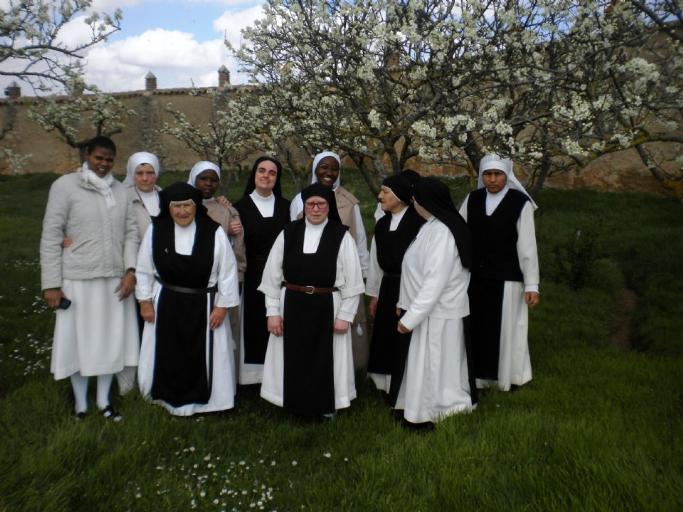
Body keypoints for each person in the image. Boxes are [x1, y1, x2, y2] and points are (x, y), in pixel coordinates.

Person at [40, 135, 139, 420]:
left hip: (114, 281)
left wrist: (130, 271)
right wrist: (51, 284)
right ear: (86, 155)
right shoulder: (65, 186)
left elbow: (131, 233)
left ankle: (104, 401)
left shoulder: (121, 191)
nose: (104, 164)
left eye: (109, 159)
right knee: (78, 342)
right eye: (99, 158)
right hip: (77, 278)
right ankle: (81, 404)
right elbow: (51, 235)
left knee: (110, 341)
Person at [259, 183, 364, 418]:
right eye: (311, 204)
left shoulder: (341, 236)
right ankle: (291, 403)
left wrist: (345, 316)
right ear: (304, 206)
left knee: (325, 359)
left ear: (329, 207)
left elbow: (354, 281)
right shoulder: (288, 232)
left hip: (328, 306)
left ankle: (327, 406)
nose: (316, 209)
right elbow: (271, 277)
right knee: (291, 358)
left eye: (322, 204)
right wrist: (273, 312)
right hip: (291, 305)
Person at [135, 182, 240, 416]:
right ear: (168, 208)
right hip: (166, 304)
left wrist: (222, 307)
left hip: (205, 306)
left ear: (196, 206)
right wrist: (144, 301)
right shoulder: (157, 230)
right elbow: (143, 269)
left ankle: (211, 402)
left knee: (202, 355)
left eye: (187, 205)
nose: (182, 212)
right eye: (177, 206)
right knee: (168, 354)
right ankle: (163, 398)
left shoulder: (213, 232)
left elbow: (228, 272)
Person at [395, 177, 477, 428]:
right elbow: (415, 269)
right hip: (428, 310)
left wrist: (410, 318)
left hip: (437, 312)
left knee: (435, 367)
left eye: (415, 200)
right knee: (428, 365)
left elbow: (435, 281)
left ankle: (433, 413)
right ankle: (418, 408)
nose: (413, 204)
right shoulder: (433, 225)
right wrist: (403, 301)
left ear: (425, 201)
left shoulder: (442, 233)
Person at [459, 154, 540, 392]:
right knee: (477, 328)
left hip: (507, 278)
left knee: (507, 331)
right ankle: (478, 377)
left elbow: (527, 247)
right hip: (475, 278)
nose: (492, 180)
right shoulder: (472, 200)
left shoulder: (519, 203)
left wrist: (531, 284)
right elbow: (460, 235)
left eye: (498, 174)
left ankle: (509, 377)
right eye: (487, 174)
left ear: (507, 175)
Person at [290, 152, 370, 371]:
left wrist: (362, 274)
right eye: (323, 167)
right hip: (310, 277)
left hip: (342, 275)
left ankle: (347, 373)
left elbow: (360, 239)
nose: (329, 173)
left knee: (342, 325)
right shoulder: (300, 200)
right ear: (315, 169)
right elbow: (292, 236)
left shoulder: (350, 202)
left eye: (334, 168)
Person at [365, 173, 424, 398]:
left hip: (411, 287)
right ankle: (384, 383)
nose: (380, 196)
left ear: (399, 196)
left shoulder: (419, 222)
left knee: (405, 334)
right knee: (385, 334)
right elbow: (375, 261)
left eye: (385, 191)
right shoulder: (382, 224)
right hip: (388, 285)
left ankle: (407, 382)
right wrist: (374, 294)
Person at [233, 156, 290, 385]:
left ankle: (276, 375)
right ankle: (253, 378)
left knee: (279, 322)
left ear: (277, 178)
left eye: (272, 172)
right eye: (261, 171)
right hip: (253, 273)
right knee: (254, 324)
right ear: (254, 174)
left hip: (283, 274)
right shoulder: (239, 207)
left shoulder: (287, 207)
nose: (266, 176)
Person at [188, 161, 246, 348]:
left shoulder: (225, 210)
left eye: (213, 180)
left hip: (218, 282)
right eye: (203, 179)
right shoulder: (182, 206)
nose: (208, 183)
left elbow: (237, 246)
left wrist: (239, 273)